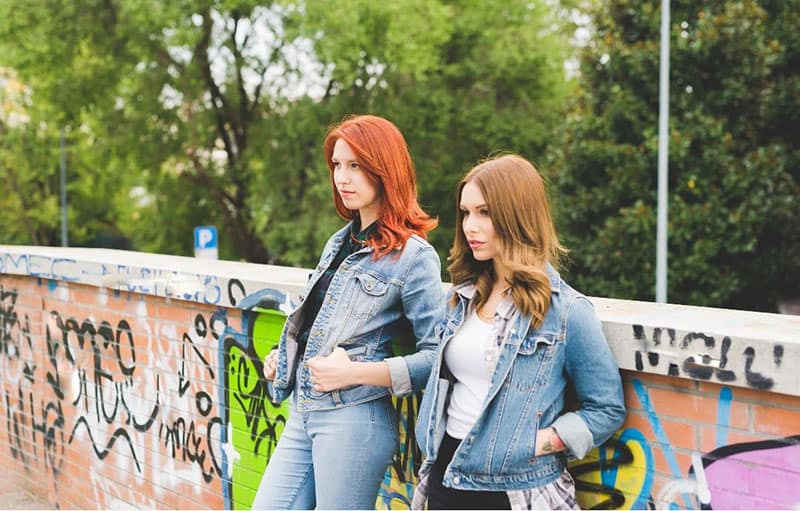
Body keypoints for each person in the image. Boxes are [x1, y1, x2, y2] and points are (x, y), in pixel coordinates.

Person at [252, 114, 445, 510]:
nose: (342, 177)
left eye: (355, 166)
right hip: (303, 411)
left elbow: (438, 359)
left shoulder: (413, 257)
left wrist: (354, 372)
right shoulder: (338, 243)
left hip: (353, 419)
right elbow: (323, 326)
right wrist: (285, 357)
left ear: (385, 169)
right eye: (338, 165)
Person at [413, 154, 626, 510]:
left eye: (484, 212)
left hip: (514, 489)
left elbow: (606, 408)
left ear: (517, 215)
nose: (470, 226)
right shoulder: (460, 298)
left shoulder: (567, 312)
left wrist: (540, 442)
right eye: (465, 213)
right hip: (446, 474)